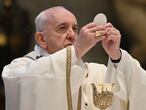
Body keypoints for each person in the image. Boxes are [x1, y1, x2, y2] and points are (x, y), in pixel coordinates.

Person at [1, 6, 146, 110]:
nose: (72, 34)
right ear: (41, 39)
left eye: (75, 28)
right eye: (62, 28)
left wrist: (116, 56)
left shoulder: (96, 72)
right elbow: (29, 80)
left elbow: (137, 85)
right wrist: (78, 48)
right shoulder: (18, 69)